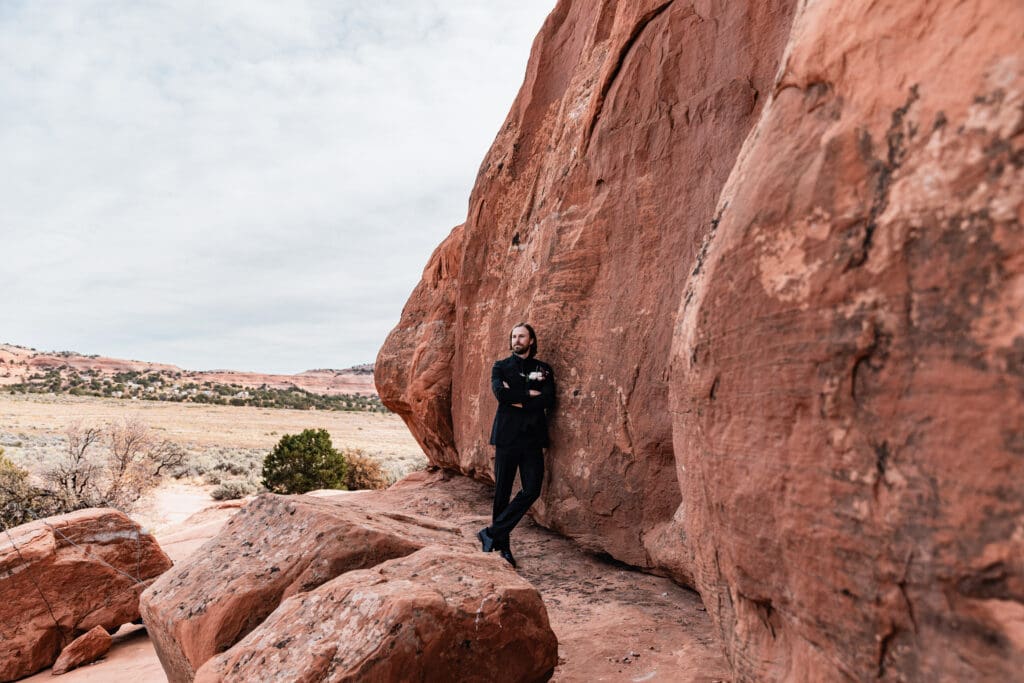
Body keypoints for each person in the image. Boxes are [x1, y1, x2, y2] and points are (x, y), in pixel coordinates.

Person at [477, 322, 555, 567]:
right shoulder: (500, 367)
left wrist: (519, 398)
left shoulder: (544, 369)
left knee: (532, 490)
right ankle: (503, 547)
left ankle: (491, 533)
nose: (517, 340)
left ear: (531, 340)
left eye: (522, 336)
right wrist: (529, 394)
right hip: (507, 438)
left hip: (532, 438)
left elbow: (548, 399)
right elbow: (501, 395)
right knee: (502, 492)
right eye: (514, 336)